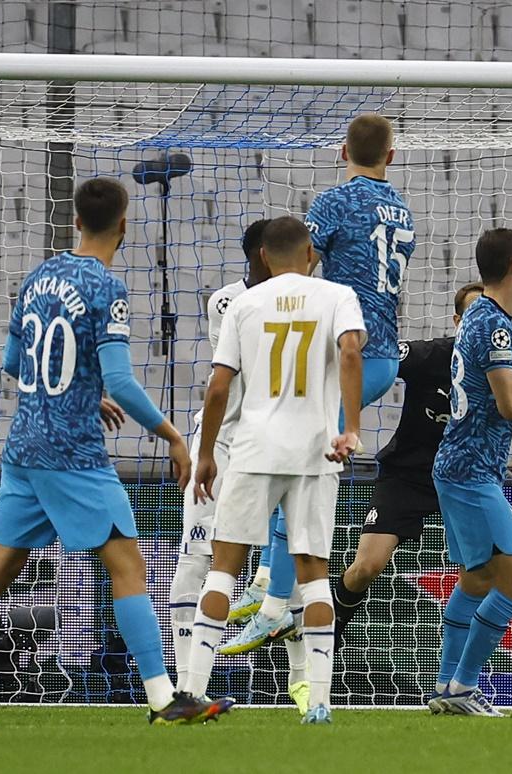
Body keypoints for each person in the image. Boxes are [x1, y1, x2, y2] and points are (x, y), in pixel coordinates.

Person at [0, 178, 230, 725]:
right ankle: (164, 699)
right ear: (125, 225)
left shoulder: (38, 276)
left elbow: (14, 365)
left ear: (75, 224)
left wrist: (83, 391)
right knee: (128, 567)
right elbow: (124, 380)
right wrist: (175, 437)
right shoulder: (105, 288)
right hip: (73, 456)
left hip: (24, 448)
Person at [224, 113, 416, 651]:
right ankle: (267, 579)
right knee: (298, 454)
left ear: (341, 152)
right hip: (381, 358)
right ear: (391, 156)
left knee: (298, 461)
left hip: (347, 357)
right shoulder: (404, 212)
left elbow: (301, 266)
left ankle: (276, 605)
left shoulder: (333, 203)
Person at [330, 282, 512, 709]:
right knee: (366, 566)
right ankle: (326, 644)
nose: (485, 320)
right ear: (459, 321)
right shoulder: (431, 355)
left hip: (467, 475)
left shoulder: (506, 352)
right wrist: (346, 415)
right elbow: (381, 363)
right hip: (414, 475)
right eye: (474, 313)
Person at [182, 216, 366, 726]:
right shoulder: (337, 296)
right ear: (310, 251)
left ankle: (192, 692)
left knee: (222, 569)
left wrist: (205, 456)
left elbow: (219, 388)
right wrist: (350, 428)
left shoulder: (244, 303)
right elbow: (351, 351)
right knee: (314, 577)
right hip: (315, 451)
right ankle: (321, 701)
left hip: (254, 449)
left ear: (262, 256)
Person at [165, 219, 314, 709]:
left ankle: (302, 681)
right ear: (261, 256)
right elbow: (229, 378)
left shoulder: (301, 301)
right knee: (199, 559)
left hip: (278, 445)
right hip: (226, 445)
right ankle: (188, 683)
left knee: (292, 559)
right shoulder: (228, 301)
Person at [429, 228, 512, 717]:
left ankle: (447, 686)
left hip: (462, 468)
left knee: (476, 581)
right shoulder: (497, 326)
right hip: (471, 473)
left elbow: (504, 394)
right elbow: (511, 402)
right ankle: (462, 686)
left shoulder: (485, 316)